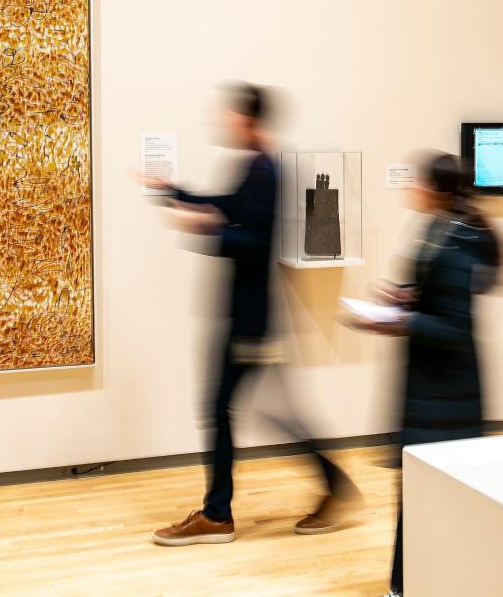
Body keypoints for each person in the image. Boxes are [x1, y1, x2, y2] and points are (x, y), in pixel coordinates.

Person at [143, 82, 360, 547]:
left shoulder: (265, 169)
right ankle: (330, 486)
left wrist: (207, 229)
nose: (223, 121)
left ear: (248, 119)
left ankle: (218, 514)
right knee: (261, 410)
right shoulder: (256, 165)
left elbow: (257, 242)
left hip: (250, 319)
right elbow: (225, 206)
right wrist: (172, 193)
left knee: (222, 407)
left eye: (230, 115)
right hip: (248, 316)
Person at [350, 153, 503, 597]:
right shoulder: (441, 229)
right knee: (418, 496)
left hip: (446, 395)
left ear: (435, 189)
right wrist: (403, 299)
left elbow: (454, 326)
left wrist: (397, 321)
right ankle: (407, 586)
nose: (410, 189)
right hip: (429, 390)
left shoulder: (458, 239)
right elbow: (435, 299)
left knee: (429, 498)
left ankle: (412, 587)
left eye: (417, 182)